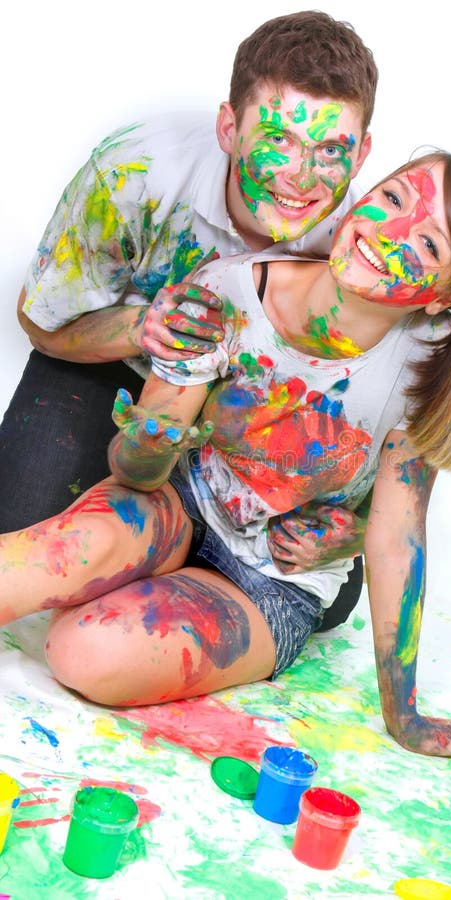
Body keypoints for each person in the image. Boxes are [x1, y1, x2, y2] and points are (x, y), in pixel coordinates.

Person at [0, 151, 451, 761]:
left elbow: (396, 537)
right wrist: (146, 442)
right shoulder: (228, 291)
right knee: (31, 568)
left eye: (428, 244)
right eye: (395, 199)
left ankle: (147, 599)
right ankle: (140, 570)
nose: (390, 232)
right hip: (173, 508)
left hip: (275, 583)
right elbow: (133, 472)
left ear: (442, 297)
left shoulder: (424, 368)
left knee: (81, 653)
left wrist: (405, 715)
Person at [0, 11, 378, 629]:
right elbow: (39, 322)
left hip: (245, 412)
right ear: (229, 127)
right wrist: (140, 328)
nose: (300, 176)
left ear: (362, 152)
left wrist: (345, 527)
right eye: (278, 138)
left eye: (330, 149)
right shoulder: (132, 175)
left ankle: (189, 550)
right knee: (20, 517)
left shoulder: (363, 241)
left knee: (331, 598)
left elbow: (373, 400)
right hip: (114, 366)